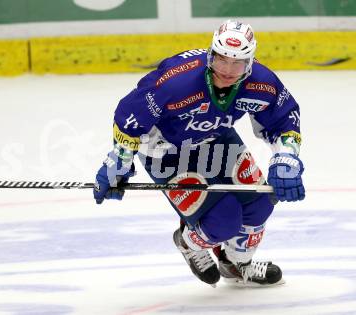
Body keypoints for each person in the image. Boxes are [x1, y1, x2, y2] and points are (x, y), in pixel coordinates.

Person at [93, 20, 305, 287]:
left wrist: (286, 158)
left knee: (259, 203)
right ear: (210, 55)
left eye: (237, 63)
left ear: (249, 63)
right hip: (166, 153)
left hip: (217, 140)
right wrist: (119, 162)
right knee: (223, 221)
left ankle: (236, 264)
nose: (227, 71)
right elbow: (131, 117)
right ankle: (188, 243)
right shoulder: (176, 81)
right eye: (221, 60)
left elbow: (283, 119)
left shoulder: (260, 83)